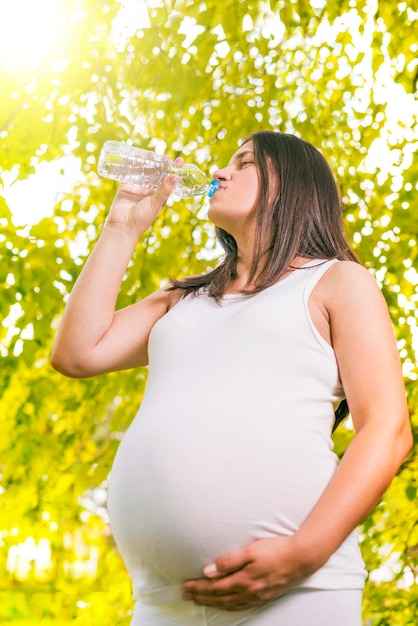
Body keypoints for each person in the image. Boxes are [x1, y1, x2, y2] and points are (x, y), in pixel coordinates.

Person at [51, 131, 412, 626]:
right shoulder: (185, 299)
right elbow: (76, 353)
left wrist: (303, 554)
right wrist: (122, 225)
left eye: (244, 164)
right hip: (164, 605)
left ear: (293, 187)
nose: (220, 172)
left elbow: (387, 429)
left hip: (294, 595)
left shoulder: (336, 281)